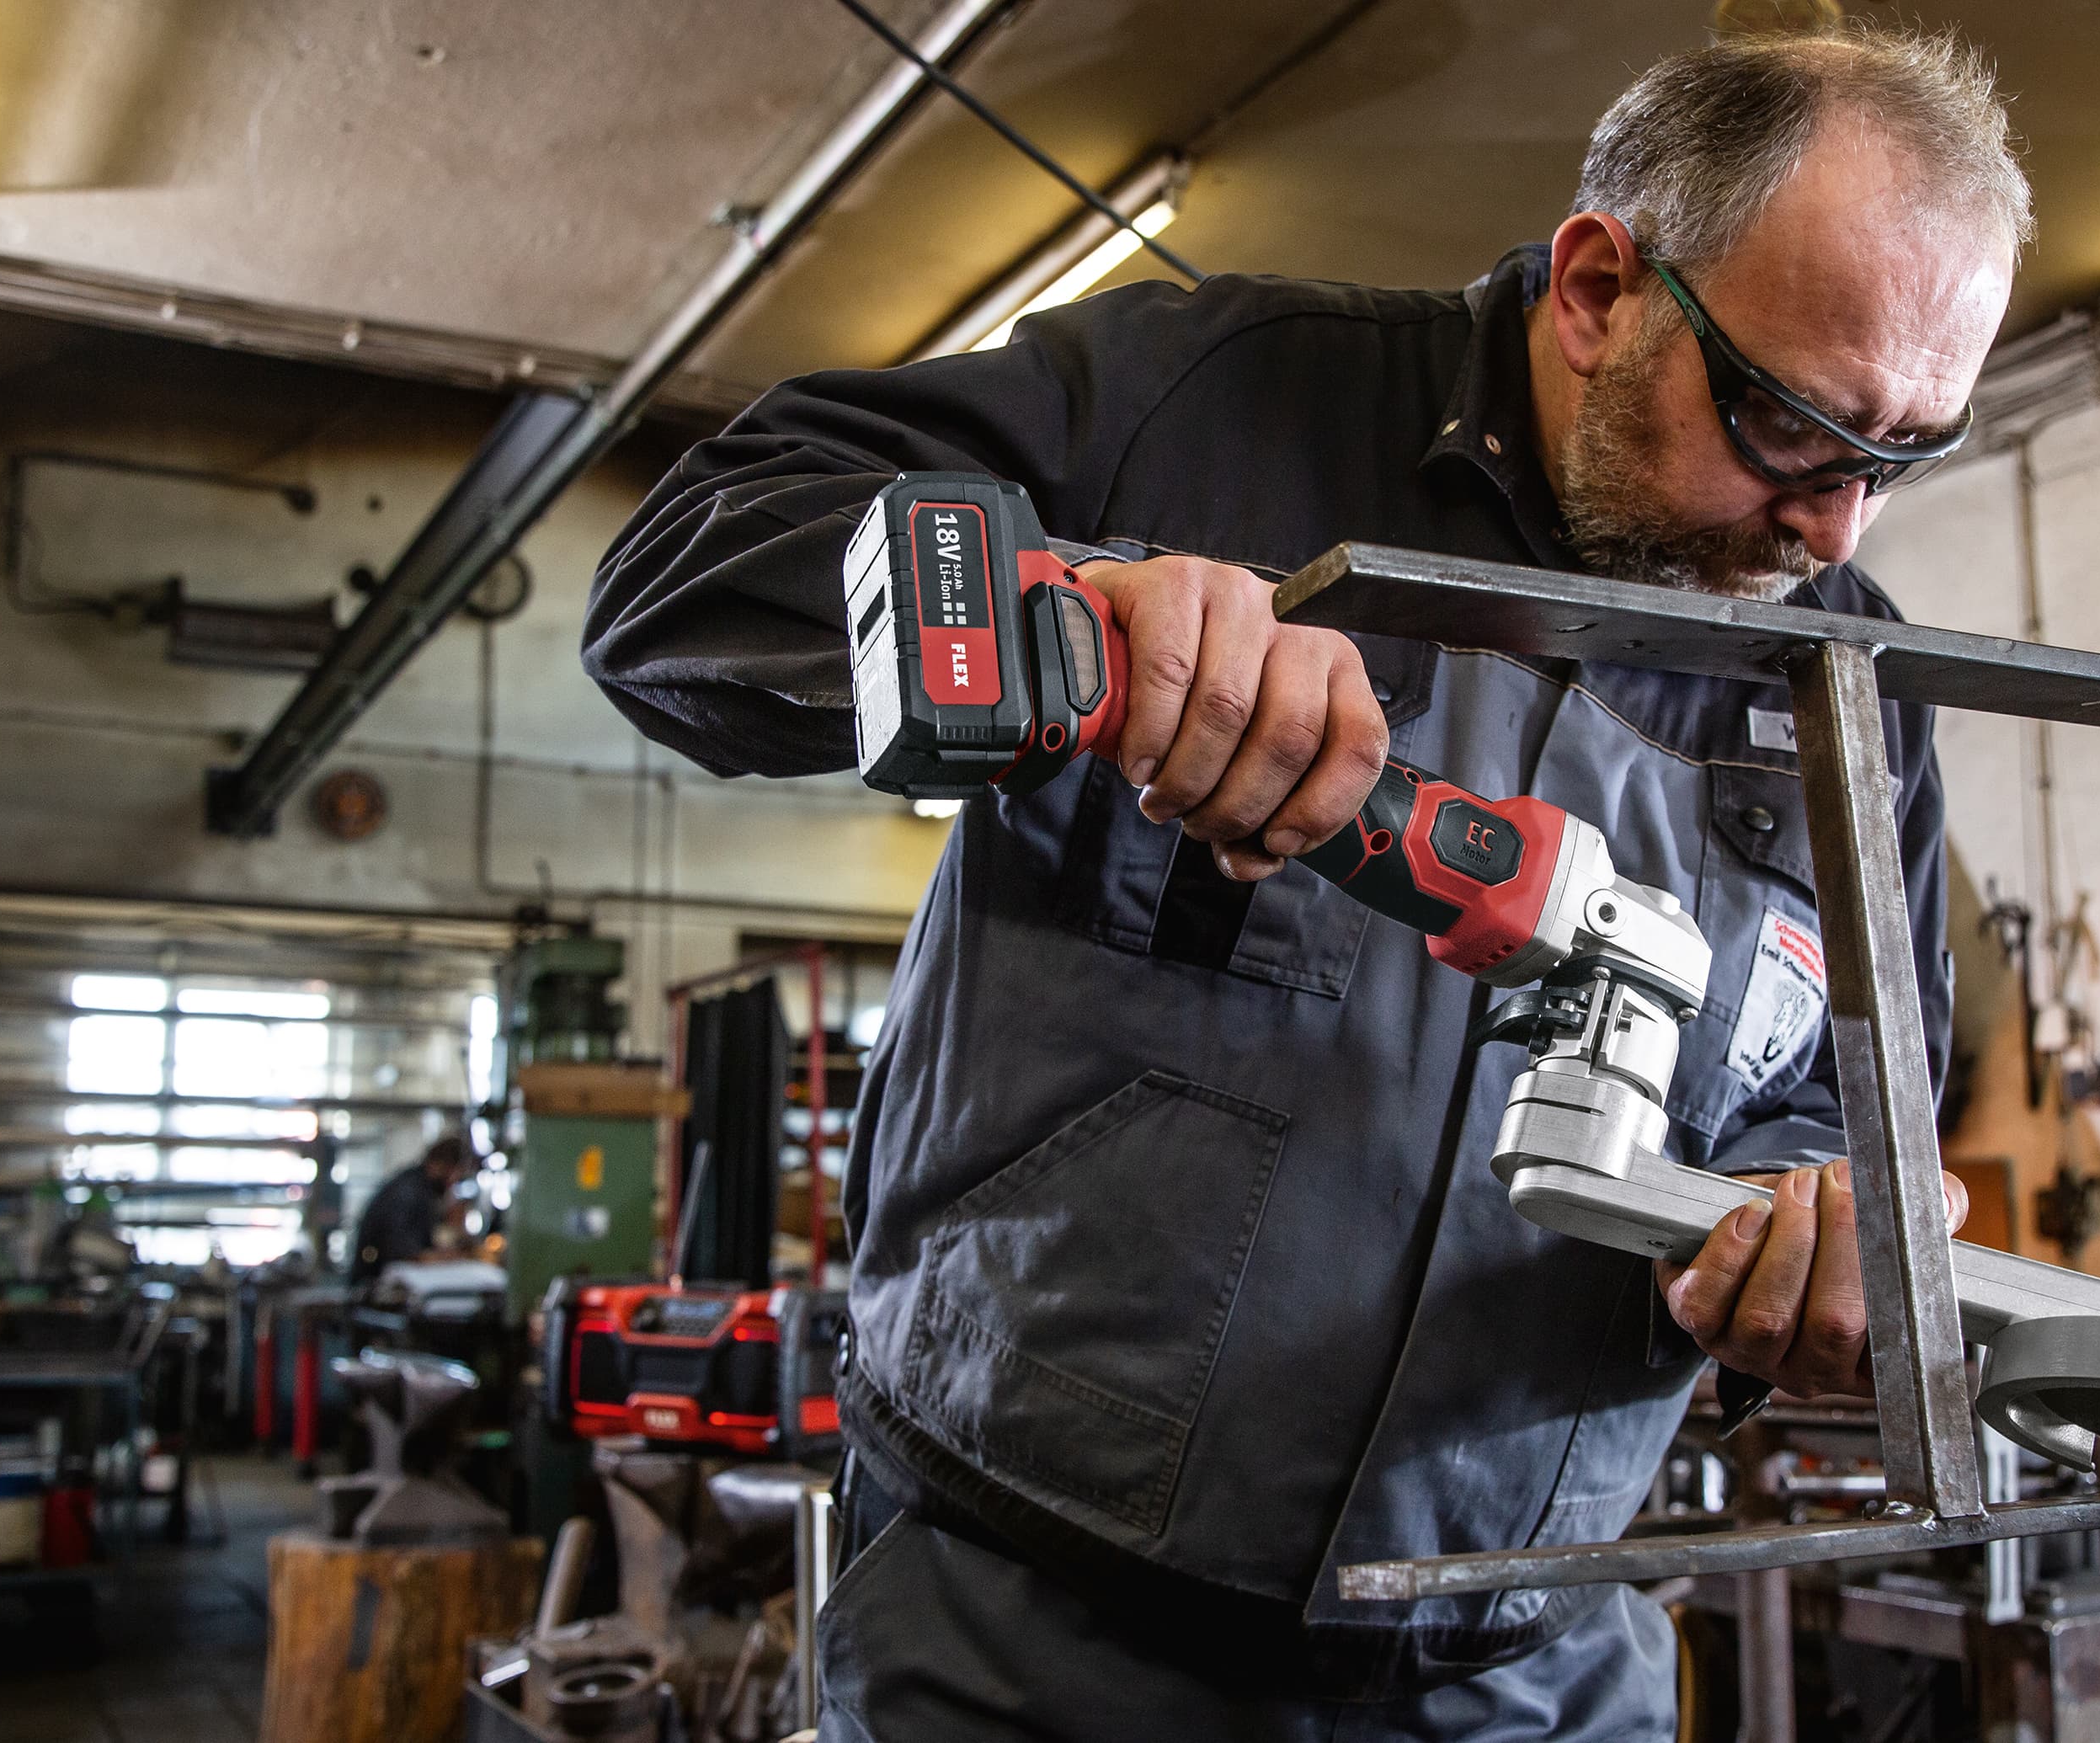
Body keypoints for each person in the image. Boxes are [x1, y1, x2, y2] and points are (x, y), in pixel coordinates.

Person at [587, 26, 2021, 1739]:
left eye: (1902, 455)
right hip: (1025, 1648)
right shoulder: (1216, 403)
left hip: (1523, 1681)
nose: (1837, 530)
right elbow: (669, 588)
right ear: (1593, 288)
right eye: (1790, 424)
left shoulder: (1842, 684)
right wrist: (1064, 601)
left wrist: (1831, 1231)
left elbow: (1847, 1111)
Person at [349, 1134, 474, 1289]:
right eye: (457, 1174)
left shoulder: (418, 1188)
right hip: (375, 1289)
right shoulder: (407, 1193)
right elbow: (402, 1251)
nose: (454, 1183)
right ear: (444, 1166)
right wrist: (450, 1257)